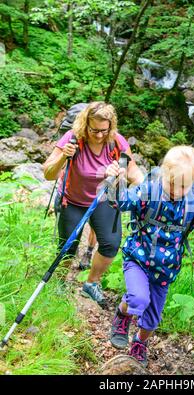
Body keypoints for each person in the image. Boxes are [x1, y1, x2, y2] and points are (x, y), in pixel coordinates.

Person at [105, 145, 194, 366]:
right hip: (138, 259)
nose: (176, 191)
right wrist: (114, 181)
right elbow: (121, 202)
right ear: (163, 173)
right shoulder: (148, 190)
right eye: (171, 183)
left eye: (183, 187)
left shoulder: (192, 204)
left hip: (165, 269)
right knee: (138, 299)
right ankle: (122, 315)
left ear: (192, 184)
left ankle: (140, 342)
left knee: (151, 319)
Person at [43, 101, 144, 305]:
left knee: (110, 244)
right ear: (85, 124)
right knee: (67, 246)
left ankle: (91, 283)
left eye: (103, 131)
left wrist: (142, 188)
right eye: (94, 130)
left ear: (110, 127)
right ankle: (60, 282)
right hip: (72, 200)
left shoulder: (116, 142)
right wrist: (64, 156)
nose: (99, 135)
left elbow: (134, 172)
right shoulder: (72, 139)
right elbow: (48, 173)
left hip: (104, 199)